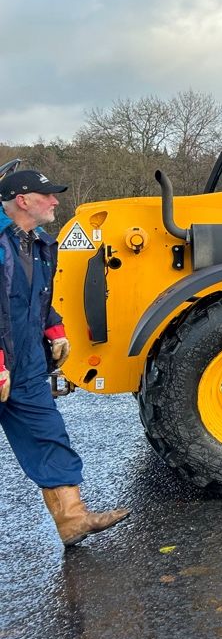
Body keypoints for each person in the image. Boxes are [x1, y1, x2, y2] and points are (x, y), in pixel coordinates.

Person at [0, 169, 129, 546]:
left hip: (24, 366)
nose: (55, 201)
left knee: (48, 435)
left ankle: (72, 520)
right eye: (47, 195)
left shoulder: (39, 243)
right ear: (23, 200)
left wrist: (53, 329)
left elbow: (37, 297)